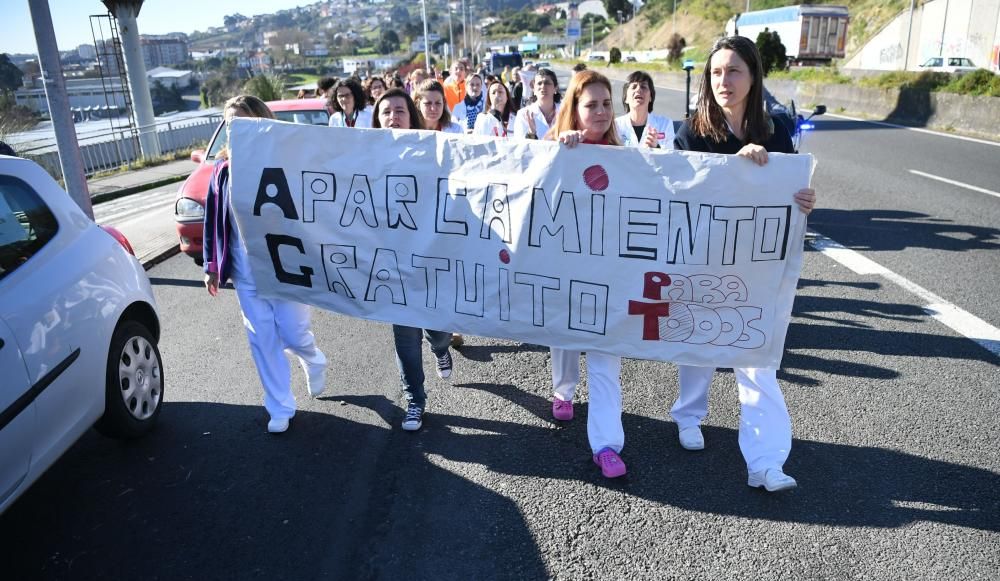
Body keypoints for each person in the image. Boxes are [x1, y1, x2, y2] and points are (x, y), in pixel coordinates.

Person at [671, 35, 816, 492]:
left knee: (757, 360)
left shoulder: (775, 130)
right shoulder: (691, 130)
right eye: (716, 72)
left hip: (756, 267)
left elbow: (786, 191)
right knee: (697, 343)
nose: (723, 81)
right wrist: (733, 169)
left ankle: (766, 461)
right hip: (701, 261)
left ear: (753, 77)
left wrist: (803, 200)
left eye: (733, 71)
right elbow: (675, 193)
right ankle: (689, 415)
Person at [203, 95, 328, 434]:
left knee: (292, 332)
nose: (235, 128)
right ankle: (280, 405)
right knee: (262, 338)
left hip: (287, 266)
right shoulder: (223, 169)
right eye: (230, 123)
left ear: (262, 122)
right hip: (246, 272)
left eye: (242, 121)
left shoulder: (287, 161)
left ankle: (313, 357)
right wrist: (212, 264)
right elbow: (215, 219)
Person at [544, 70, 627, 479]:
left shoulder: (625, 156)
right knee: (563, 337)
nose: (600, 111)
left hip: (608, 278)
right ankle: (563, 390)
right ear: (574, 110)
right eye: (590, 104)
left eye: (606, 103)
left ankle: (607, 445)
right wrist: (559, 153)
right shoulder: (556, 148)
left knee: (606, 362)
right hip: (564, 273)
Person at [370, 88, 457, 431]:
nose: (393, 116)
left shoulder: (433, 153)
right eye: (386, 110)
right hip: (393, 265)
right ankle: (415, 400)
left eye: (400, 110)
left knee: (437, 331)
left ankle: (442, 348)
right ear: (378, 118)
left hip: (431, 259)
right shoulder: (363, 158)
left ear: (412, 116)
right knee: (404, 336)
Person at [615, 70, 675, 149]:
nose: (638, 90)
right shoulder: (615, 126)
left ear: (650, 97)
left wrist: (656, 147)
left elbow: (671, 158)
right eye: (634, 87)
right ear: (626, 98)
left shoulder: (665, 124)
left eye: (643, 87)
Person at [510, 68, 560, 140]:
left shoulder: (565, 111)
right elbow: (520, 147)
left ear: (556, 88)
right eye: (539, 83)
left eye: (547, 83)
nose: (543, 86)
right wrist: (531, 133)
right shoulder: (523, 114)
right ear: (534, 89)